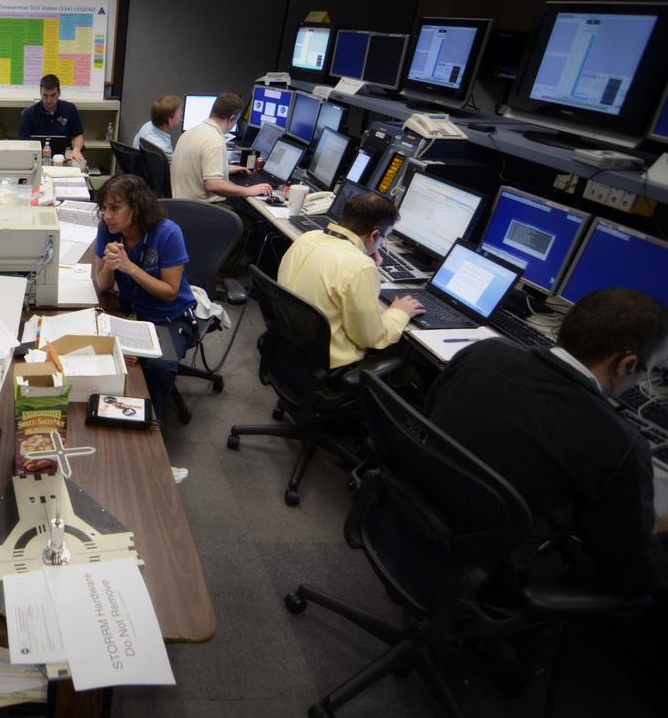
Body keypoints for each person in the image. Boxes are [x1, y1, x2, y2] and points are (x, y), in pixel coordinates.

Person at [425, 288, 668, 594]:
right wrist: (658, 529)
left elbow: (426, 422)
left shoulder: (484, 353)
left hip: (413, 516)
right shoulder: (618, 443)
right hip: (491, 570)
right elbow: (637, 570)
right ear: (628, 364)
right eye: (651, 369)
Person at [92, 174, 199, 423]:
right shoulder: (108, 230)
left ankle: (153, 426)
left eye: (115, 208)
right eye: (104, 208)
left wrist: (129, 268)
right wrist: (109, 263)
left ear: (136, 208)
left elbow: (170, 292)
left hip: (169, 317)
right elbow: (104, 285)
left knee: (159, 367)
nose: (107, 215)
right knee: (100, 354)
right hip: (131, 311)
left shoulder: (168, 233)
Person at [276, 192, 424, 369]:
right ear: (374, 234)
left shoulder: (306, 238)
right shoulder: (359, 267)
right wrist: (399, 313)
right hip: (327, 364)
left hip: (289, 345)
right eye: (385, 237)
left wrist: (364, 261)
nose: (382, 244)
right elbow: (370, 338)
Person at [170, 92, 272, 209]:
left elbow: (196, 165)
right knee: (251, 213)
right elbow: (213, 185)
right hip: (199, 209)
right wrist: (249, 190)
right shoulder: (215, 140)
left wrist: (226, 168)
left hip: (181, 204)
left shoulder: (191, 132)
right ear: (232, 118)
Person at [16, 74, 86, 166]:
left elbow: (78, 135)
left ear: (59, 93)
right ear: (40, 92)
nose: (49, 100)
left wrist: (76, 150)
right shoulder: (29, 114)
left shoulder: (69, 109)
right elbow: (23, 142)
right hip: (37, 156)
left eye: (53, 95)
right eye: (45, 95)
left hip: (65, 153)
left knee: (79, 166)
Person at [132, 95, 181, 161]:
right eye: (179, 112)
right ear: (170, 120)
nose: (181, 113)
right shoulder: (163, 149)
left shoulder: (147, 125)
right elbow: (175, 169)